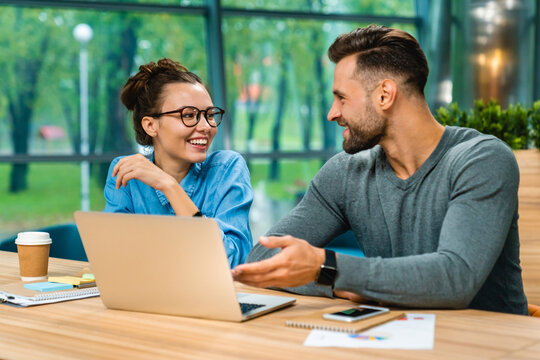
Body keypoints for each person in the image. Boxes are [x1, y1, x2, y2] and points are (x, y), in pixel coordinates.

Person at [232, 25, 528, 315]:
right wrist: (335, 280)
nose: (332, 113)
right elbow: (264, 258)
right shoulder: (345, 173)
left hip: (491, 343)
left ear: (385, 95)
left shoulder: (481, 160)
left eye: (342, 98)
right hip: (398, 337)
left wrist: (329, 268)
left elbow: (455, 277)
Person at [103, 58, 253, 268]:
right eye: (189, 115)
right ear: (150, 125)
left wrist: (170, 186)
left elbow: (232, 262)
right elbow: (112, 256)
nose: (206, 126)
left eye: (210, 115)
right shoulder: (127, 171)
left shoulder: (227, 168)